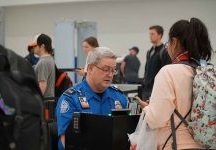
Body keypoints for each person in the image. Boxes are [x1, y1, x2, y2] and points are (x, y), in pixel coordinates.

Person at [131, 18, 213, 150]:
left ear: (174, 42)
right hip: (206, 144)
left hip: (177, 145)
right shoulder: (207, 72)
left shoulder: (169, 72)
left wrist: (146, 108)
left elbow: (156, 119)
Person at [56, 47, 128, 150]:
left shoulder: (120, 98)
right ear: (90, 68)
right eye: (106, 69)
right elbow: (66, 142)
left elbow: (125, 136)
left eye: (113, 70)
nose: (110, 74)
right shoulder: (70, 99)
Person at [142, 25, 171, 101]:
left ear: (160, 35)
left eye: (152, 34)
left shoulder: (164, 51)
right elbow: (146, 69)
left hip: (157, 89)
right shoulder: (150, 51)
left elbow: (166, 70)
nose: (150, 36)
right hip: (146, 89)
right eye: (149, 34)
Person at [34, 34, 55, 98]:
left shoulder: (43, 62)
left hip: (44, 101)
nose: (33, 48)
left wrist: (35, 101)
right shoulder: (50, 59)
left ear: (42, 46)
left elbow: (42, 85)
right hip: (48, 100)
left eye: (35, 45)